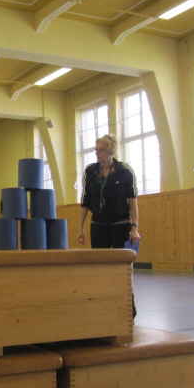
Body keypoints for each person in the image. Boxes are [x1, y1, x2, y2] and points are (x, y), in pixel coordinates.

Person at [77, 133, 140, 319]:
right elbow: (85, 200)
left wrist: (135, 227)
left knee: (123, 269)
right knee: (99, 269)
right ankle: (102, 309)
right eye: (96, 150)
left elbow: (133, 202)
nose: (97, 153)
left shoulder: (125, 171)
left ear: (111, 151)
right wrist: (80, 228)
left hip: (121, 225)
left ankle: (129, 312)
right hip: (98, 226)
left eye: (101, 150)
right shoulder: (90, 171)